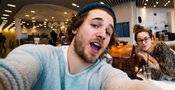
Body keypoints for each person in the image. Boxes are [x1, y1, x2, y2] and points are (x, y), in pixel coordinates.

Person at [0, 3, 162, 90]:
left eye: (108, 31)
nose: (102, 34)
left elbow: (124, 85)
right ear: (75, 28)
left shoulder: (104, 72)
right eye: (95, 25)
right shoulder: (40, 55)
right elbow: (13, 74)